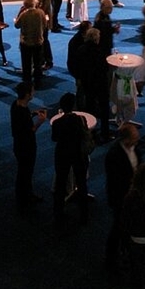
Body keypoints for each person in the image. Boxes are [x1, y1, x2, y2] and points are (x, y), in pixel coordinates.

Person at [51, 92, 91, 226]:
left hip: (62, 154)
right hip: (78, 154)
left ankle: (58, 213)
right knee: (81, 182)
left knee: (60, 183)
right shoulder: (81, 120)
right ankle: (84, 214)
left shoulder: (57, 122)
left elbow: (54, 138)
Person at [104, 122, 141, 265]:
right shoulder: (113, 155)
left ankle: (126, 251)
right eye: (135, 138)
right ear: (125, 139)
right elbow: (115, 180)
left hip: (133, 196)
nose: (137, 140)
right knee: (118, 227)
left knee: (129, 226)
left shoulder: (135, 149)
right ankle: (111, 258)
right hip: (120, 198)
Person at [10, 81, 47, 208]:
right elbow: (30, 131)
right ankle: (25, 198)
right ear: (27, 95)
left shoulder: (15, 105)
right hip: (26, 147)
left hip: (18, 145)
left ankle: (25, 195)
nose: (34, 92)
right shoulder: (23, 112)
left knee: (23, 172)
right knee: (26, 173)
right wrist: (40, 122)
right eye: (32, 91)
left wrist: (33, 114)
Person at [14, 0, 47, 88]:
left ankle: (27, 81)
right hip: (38, 42)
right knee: (37, 63)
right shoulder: (41, 13)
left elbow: (17, 25)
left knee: (26, 64)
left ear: (25, 5)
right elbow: (45, 25)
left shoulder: (23, 14)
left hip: (26, 42)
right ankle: (38, 82)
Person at [32, 0, 53, 70]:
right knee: (43, 41)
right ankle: (43, 60)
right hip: (39, 20)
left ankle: (48, 61)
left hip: (44, 21)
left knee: (44, 41)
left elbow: (44, 9)